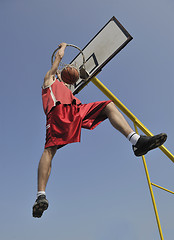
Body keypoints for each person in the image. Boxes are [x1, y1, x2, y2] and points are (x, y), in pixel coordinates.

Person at [32, 42, 167, 218]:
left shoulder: (64, 88)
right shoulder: (48, 80)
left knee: (108, 106)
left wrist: (71, 76)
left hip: (75, 110)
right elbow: (57, 60)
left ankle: (136, 141)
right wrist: (63, 47)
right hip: (57, 113)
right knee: (49, 151)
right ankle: (40, 196)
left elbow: (64, 80)